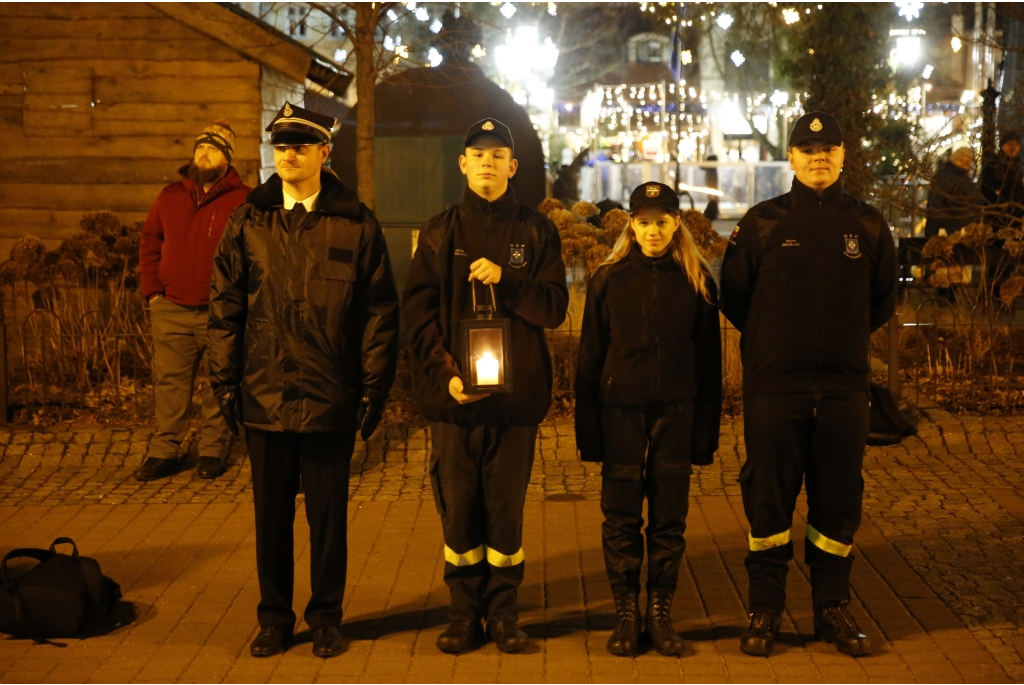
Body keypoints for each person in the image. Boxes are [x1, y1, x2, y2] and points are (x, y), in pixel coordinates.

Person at [208, 102, 399, 659]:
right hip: (265, 392)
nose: (288, 155)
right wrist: (225, 381)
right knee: (270, 520)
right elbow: (225, 307)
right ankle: (273, 618)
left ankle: (326, 618)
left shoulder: (356, 223)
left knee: (328, 520)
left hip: (329, 394)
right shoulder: (249, 219)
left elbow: (379, 311)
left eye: (299, 146)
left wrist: (374, 387)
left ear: (324, 153)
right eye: (281, 147)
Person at [719, 111, 897, 658]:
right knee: (768, 503)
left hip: (843, 390)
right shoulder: (762, 223)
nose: (819, 157)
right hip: (776, 388)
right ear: (791, 158)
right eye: (808, 149)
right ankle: (765, 610)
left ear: (843, 156)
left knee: (838, 502)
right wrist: (776, 344)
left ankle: (832, 609)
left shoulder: (869, 225)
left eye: (829, 149)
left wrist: (840, 344)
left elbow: (882, 302)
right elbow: (735, 297)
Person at [403, 118, 569, 654]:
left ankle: (503, 614)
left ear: (512, 167)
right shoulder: (438, 232)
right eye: (478, 155)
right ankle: (462, 614)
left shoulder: (537, 231)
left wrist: (508, 278)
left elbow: (554, 309)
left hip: (514, 406)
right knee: (458, 511)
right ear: (463, 164)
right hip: (456, 403)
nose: (487, 164)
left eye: (498, 156)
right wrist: (448, 377)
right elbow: (418, 317)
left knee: (505, 512)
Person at [575, 182, 722, 657]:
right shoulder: (608, 278)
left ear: (677, 223)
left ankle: (659, 612)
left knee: (668, 518)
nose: (653, 230)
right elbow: (590, 357)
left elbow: (710, 363)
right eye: (643, 222)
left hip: (677, 410)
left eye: (661, 221)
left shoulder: (698, 281)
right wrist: (588, 432)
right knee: (620, 516)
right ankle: (626, 612)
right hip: (620, 411)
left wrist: (705, 434)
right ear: (631, 225)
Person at [136, 120, 250, 482]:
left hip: (220, 310)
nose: (205, 153)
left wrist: (241, 299)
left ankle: (213, 449)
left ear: (227, 159)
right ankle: (165, 450)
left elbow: (255, 252)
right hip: (172, 307)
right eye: (201, 147)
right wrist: (154, 292)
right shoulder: (170, 196)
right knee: (170, 383)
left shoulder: (243, 200)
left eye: (214, 148)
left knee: (220, 382)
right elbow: (150, 242)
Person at [925, 147, 983, 237]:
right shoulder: (945, 178)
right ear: (953, 159)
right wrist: (931, 232)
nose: (964, 164)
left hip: (960, 230)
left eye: (968, 162)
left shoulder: (962, 178)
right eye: (961, 160)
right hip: (951, 231)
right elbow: (935, 206)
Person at [982, 130, 1024, 228]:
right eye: (1009, 144)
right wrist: (1006, 207)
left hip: (1015, 218)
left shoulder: (1016, 165)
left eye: (1017, 144)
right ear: (1002, 146)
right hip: (999, 219)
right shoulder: (994, 164)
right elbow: (989, 191)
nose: (1013, 147)